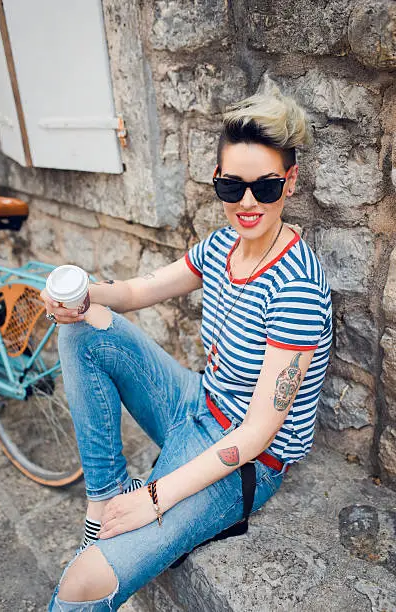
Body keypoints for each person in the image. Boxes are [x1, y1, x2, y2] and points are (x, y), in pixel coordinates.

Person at [42, 90, 333, 611]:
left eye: (265, 187)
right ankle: (104, 492)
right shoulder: (222, 246)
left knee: (84, 582)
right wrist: (84, 294)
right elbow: (137, 291)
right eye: (231, 185)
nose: (247, 203)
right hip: (194, 401)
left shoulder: (297, 290)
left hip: (245, 457)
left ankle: (119, 518)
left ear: (290, 182)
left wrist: (154, 496)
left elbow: (257, 432)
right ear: (216, 180)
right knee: (83, 327)